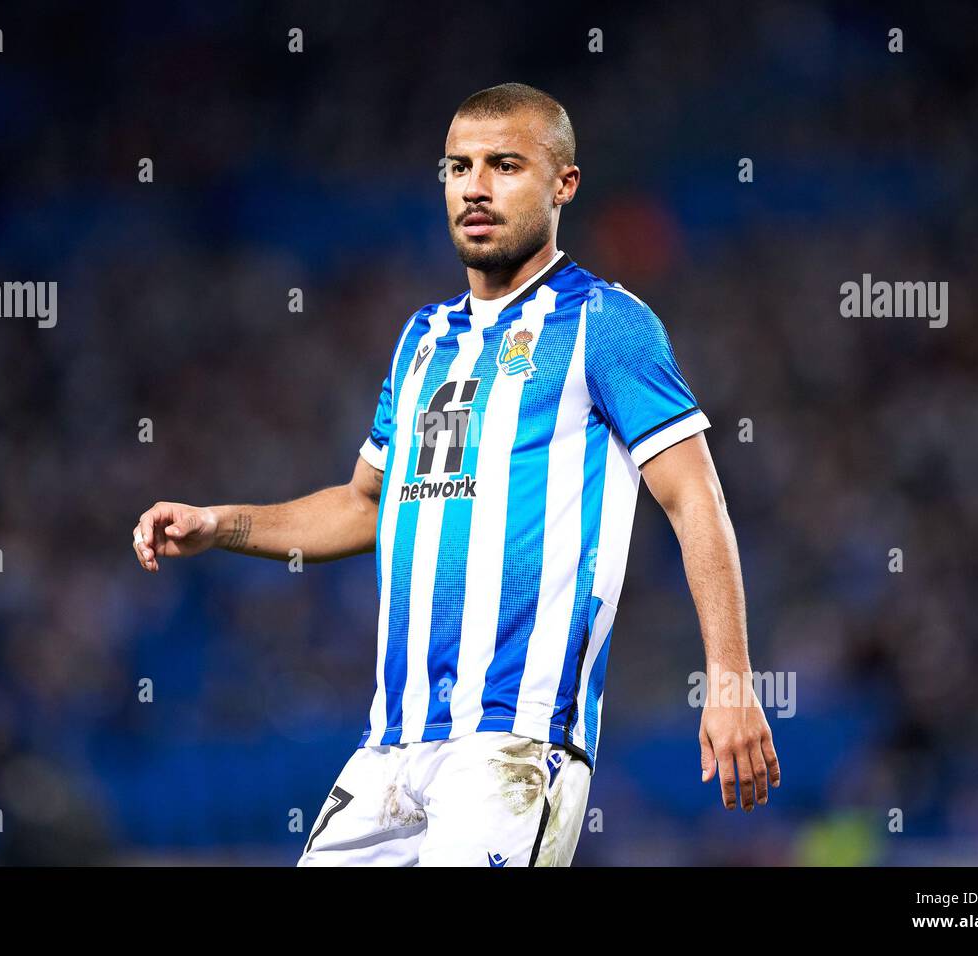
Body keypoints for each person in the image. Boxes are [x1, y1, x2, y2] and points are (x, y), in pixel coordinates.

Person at [132, 82, 780, 866]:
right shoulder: (422, 340)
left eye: (505, 165)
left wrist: (733, 678)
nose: (474, 186)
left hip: (511, 744)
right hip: (389, 750)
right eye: (457, 166)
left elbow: (694, 498)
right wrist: (219, 523)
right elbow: (366, 507)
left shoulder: (605, 325)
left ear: (563, 184)